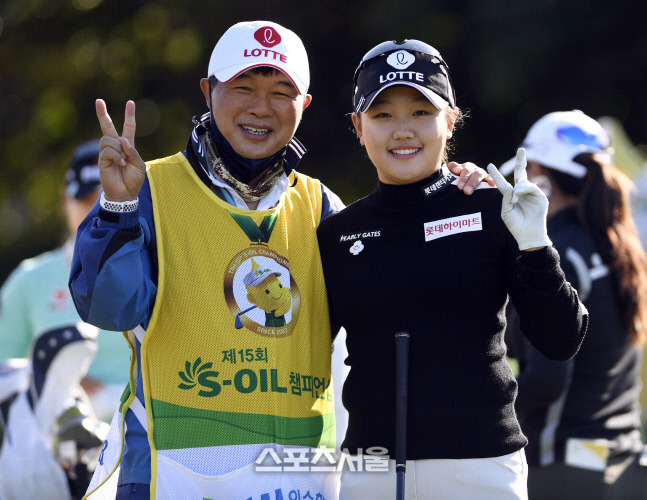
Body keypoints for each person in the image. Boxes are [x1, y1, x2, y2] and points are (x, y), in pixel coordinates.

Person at [68, 22, 491, 500]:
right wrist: (119, 208)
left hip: (296, 479)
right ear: (208, 92)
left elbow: (409, 305)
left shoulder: (325, 210)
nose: (261, 107)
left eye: (281, 91)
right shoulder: (146, 191)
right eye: (243, 86)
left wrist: (451, 195)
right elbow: (108, 308)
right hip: (173, 472)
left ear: (304, 105)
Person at [316, 39, 589, 500]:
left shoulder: (491, 210)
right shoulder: (338, 232)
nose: (402, 130)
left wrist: (535, 243)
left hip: (481, 469)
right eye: (382, 115)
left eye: (421, 112)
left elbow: (560, 341)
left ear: (451, 120)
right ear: (358, 127)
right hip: (370, 471)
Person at [500, 110, 647, 499]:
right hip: (621, 464)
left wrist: (469, 404)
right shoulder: (617, 243)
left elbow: (547, 381)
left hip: (564, 469)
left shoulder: (558, 255)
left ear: (539, 173)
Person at [0, 140, 130, 423]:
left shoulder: (160, 271)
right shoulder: (29, 280)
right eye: (86, 200)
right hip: (56, 456)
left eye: (107, 198)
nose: (97, 211)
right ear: (64, 199)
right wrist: (58, 380)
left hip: (148, 449)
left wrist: (106, 395)